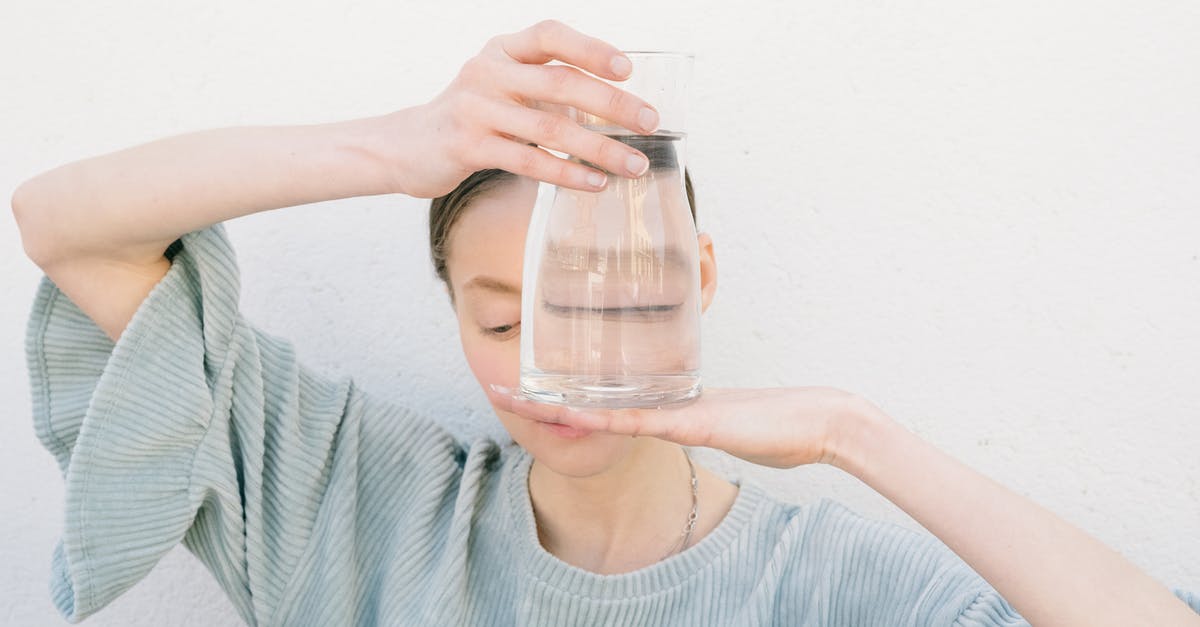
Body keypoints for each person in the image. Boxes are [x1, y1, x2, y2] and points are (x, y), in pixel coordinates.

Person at [12, 19, 1199, 627]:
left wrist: (854, 432)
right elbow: (68, 226)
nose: (558, 367)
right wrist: (394, 148)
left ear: (700, 277)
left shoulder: (825, 583)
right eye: (498, 322)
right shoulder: (353, 503)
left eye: (615, 304)